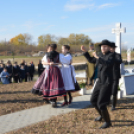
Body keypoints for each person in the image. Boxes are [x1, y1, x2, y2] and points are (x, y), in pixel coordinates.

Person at [81, 39, 115, 129]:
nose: (103, 48)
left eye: (105, 46)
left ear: (108, 47)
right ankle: (102, 116)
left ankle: (108, 122)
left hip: (107, 82)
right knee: (93, 100)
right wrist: (85, 52)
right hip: (99, 81)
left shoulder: (112, 55)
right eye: (102, 46)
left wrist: (97, 58)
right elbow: (92, 60)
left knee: (101, 103)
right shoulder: (99, 54)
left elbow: (107, 64)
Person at [109, 42, 122, 111]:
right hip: (108, 76)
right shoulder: (106, 55)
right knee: (107, 90)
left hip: (115, 76)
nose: (111, 49)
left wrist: (112, 57)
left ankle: (113, 105)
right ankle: (107, 103)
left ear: (114, 48)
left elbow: (119, 61)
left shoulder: (117, 55)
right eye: (110, 48)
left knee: (114, 90)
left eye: (112, 48)